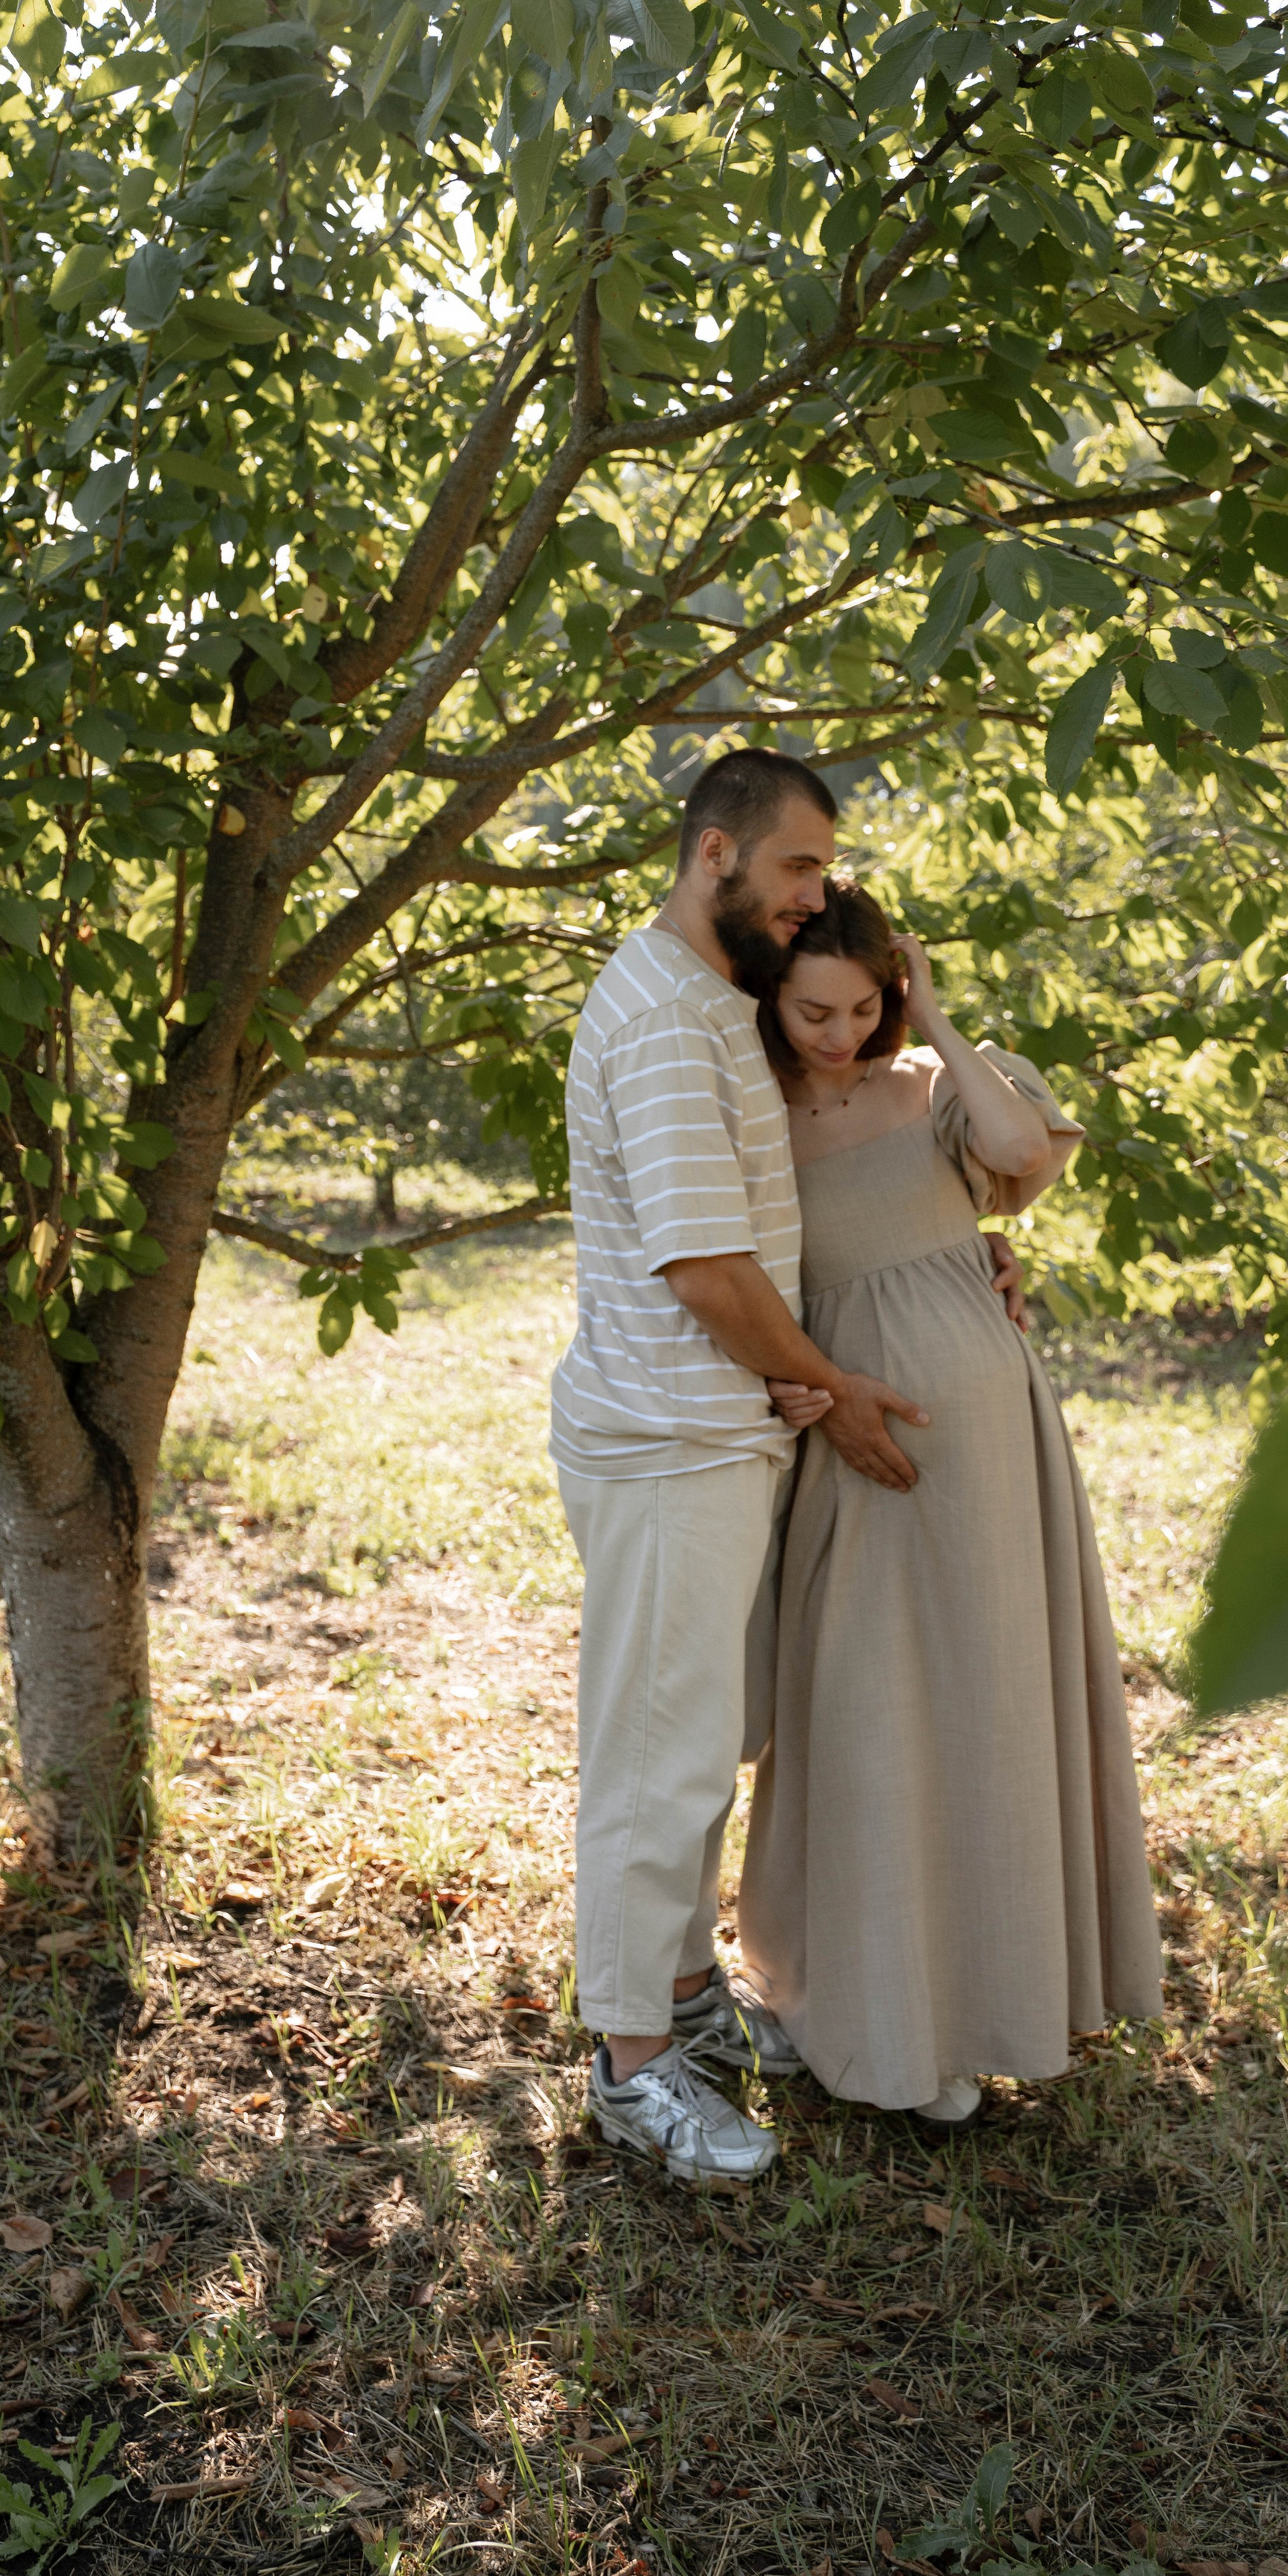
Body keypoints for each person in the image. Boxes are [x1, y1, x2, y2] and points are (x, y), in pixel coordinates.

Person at [550, 752, 1023, 2185]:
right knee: (659, 1755)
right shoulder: (662, 1027)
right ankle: (633, 2069)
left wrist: (952, 1259)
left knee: (700, 1740)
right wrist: (839, 1388)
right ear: (718, 856)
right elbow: (706, 1267)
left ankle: (683, 1999)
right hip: (672, 1436)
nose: (824, 893)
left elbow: (809, 1201)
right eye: (804, 867)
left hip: (722, 1433)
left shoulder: (711, 1006)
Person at [739, 880, 1165, 2128]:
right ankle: (871, 2010)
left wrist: (932, 1011)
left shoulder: (929, 1086)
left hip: (993, 1443)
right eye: (817, 1007)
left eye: (865, 1004)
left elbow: (1026, 1154)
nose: (840, 1029)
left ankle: (980, 2017)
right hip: (853, 1436)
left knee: (987, 1706)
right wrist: (797, 1380)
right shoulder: (749, 1114)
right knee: (868, 1702)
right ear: (773, 997)